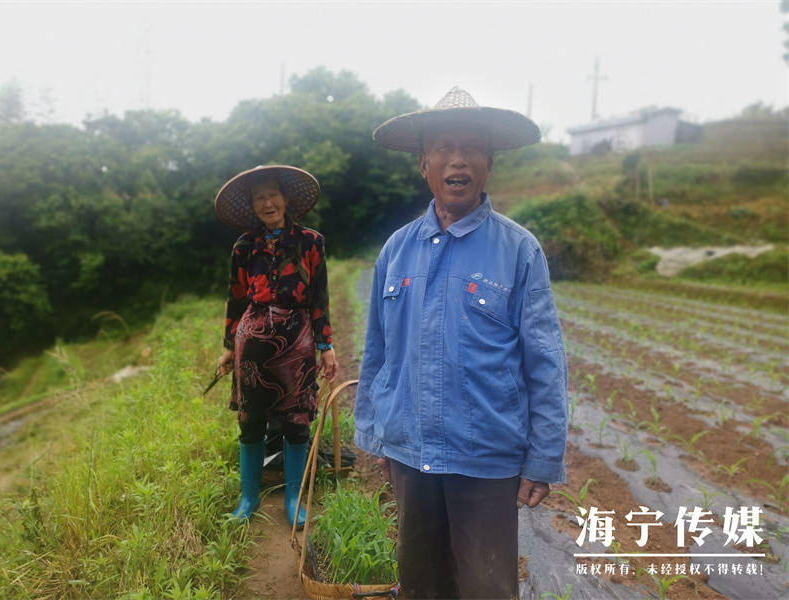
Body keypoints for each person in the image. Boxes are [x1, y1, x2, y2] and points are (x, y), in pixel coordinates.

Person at [354, 87, 568, 599]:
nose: (458, 160)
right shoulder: (397, 249)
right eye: (445, 148)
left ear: (488, 163)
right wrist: (377, 433)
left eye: (471, 148)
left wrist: (543, 457)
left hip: (487, 458)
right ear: (425, 163)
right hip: (411, 452)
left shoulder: (518, 249)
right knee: (421, 582)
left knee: (486, 586)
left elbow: (545, 360)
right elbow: (378, 350)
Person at [214, 164, 338, 526]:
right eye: (259, 198)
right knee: (250, 421)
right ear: (253, 206)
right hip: (251, 342)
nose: (267, 203)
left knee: (296, 422)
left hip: (297, 340)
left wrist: (325, 344)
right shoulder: (244, 246)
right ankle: (248, 497)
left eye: (272, 194)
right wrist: (226, 347)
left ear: (285, 198)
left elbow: (319, 297)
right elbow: (236, 298)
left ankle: (294, 498)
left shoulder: (311, 242)